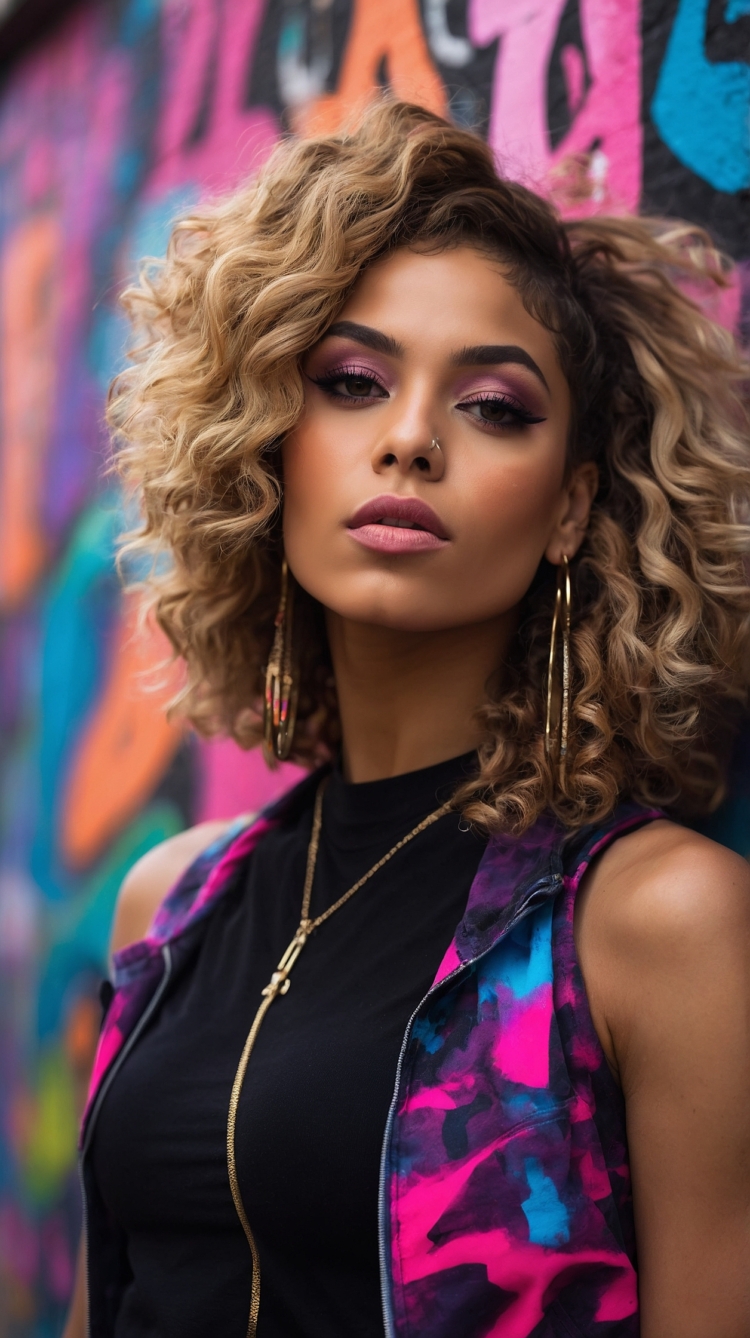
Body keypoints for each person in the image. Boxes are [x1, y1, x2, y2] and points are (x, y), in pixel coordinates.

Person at [64, 102, 750, 1338]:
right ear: (270, 445)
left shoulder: (654, 922)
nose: (409, 440)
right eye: (351, 383)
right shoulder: (167, 906)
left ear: (568, 510)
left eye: (493, 407)